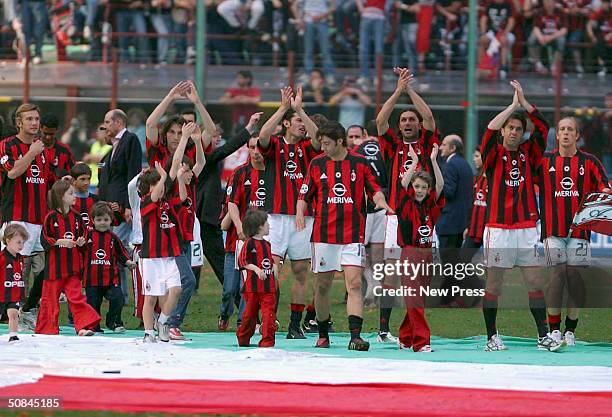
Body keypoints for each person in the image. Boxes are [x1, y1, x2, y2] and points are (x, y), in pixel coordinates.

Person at [480, 80, 563, 352]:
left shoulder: (530, 152)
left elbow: (543, 127)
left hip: (527, 227)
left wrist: (524, 104)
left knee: (535, 281)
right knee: (495, 282)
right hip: (498, 228)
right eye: (511, 128)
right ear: (504, 131)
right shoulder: (493, 154)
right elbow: (489, 130)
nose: (514, 132)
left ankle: (543, 336)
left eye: (518, 128)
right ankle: (492, 336)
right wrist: (512, 107)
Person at [297, 121, 391, 351]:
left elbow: (374, 190)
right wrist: (300, 212)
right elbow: (304, 194)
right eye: (321, 142)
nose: (323, 147)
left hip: (353, 234)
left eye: (327, 143)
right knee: (322, 286)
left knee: (355, 283)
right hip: (323, 234)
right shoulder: (317, 164)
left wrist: (382, 203)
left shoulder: (359, 164)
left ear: (340, 141)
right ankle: (322, 333)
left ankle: (355, 336)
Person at [375, 68, 439, 340]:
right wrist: (397, 91)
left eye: (412, 119)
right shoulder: (392, 145)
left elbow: (429, 117)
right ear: (399, 126)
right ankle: (383, 328)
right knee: (391, 272)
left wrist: (410, 90)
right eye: (404, 120)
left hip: (424, 218)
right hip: (396, 217)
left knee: (421, 278)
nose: (409, 122)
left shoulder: (426, 143)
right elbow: (380, 121)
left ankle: (407, 329)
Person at [539, 117, 609, 346]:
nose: (566, 133)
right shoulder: (544, 161)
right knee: (557, 276)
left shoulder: (589, 162)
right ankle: (554, 329)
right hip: (553, 230)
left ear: (577, 135)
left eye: (570, 129)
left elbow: (604, 189)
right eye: (562, 130)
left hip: (580, 232)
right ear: (557, 135)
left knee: (575, 278)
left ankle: (571, 329)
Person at [258, 86, 321, 339]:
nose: (302, 125)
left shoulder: (309, 147)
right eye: (297, 122)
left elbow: (318, 137)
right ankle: (269, 319)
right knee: (271, 269)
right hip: (276, 218)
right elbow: (262, 134)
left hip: (303, 219)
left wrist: (300, 109)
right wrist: (284, 107)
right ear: (285, 124)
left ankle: (295, 325)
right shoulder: (274, 145)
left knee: (300, 272)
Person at [0, 104, 49, 330]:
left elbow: (46, 184)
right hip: (17, 216)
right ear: (19, 122)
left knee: (46, 268)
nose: (34, 123)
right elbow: (12, 172)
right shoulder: (7, 145)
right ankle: (11, 314)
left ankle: (25, 310)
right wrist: (31, 153)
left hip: (39, 219)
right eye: (29, 119)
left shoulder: (43, 151)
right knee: (12, 267)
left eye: (36, 118)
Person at [35, 179, 101, 336]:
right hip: (53, 269)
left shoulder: (77, 218)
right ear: (60, 196)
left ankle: (83, 327)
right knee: (50, 300)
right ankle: (47, 329)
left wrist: (80, 242)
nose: (74, 196)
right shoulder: (50, 217)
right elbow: (44, 238)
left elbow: (84, 236)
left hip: (72, 268)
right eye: (71, 193)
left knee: (77, 298)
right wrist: (59, 242)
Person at [397, 144, 444, 352]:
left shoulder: (430, 205)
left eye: (424, 188)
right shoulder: (405, 203)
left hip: (427, 254)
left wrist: (433, 161)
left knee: (419, 298)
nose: (420, 191)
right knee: (414, 298)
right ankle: (421, 342)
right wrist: (414, 163)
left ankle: (405, 338)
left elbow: (440, 186)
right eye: (417, 187)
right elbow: (403, 183)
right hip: (409, 253)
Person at [219, 135, 267, 330]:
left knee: (246, 287)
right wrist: (239, 227)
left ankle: (243, 322)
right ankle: (224, 314)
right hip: (235, 242)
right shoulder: (239, 173)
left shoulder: (272, 173)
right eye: (252, 147)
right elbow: (232, 203)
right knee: (229, 289)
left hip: (258, 243)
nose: (257, 151)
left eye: (259, 147)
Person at [164, 122, 206, 340]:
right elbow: (174, 168)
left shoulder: (191, 183)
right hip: (173, 242)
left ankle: (167, 322)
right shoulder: (171, 185)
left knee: (180, 282)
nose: (190, 173)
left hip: (186, 241)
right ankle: (171, 323)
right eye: (186, 170)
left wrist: (197, 141)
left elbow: (201, 162)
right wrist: (183, 139)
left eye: (190, 171)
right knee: (187, 281)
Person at [98, 108, 144, 303]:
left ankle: (124, 294)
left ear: (118, 123)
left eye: (108, 122)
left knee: (116, 247)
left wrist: (128, 206)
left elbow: (133, 173)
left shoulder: (130, 140)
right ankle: (121, 293)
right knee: (116, 248)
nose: (105, 126)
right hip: (112, 207)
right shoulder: (112, 148)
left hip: (122, 208)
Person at [353, 123, 393, 342]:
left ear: (365, 135)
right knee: (378, 252)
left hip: (362, 208)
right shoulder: (387, 150)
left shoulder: (356, 152)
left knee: (358, 251)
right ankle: (376, 286)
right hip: (382, 204)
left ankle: (369, 283)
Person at [138, 162, 186, 343]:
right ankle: (149, 333)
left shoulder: (166, 203)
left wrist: (180, 178)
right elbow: (155, 194)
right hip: (151, 257)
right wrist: (164, 177)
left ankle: (163, 321)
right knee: (150, 297)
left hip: (169, 255)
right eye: (156, 184)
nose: (161, 187)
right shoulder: (145, 202)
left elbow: (182, 198)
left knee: (176, 289)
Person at [83, 202, 137, 333]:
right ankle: (93, 325)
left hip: (111, 279)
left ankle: (113, 322)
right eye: (99, 220)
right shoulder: (87, 236)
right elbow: (79, 253)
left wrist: (128, 262)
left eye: (106, 220)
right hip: (92, 280)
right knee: (93, 304)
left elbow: (121, 253)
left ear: (111, 220)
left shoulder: (113, 238)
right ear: (92, 220)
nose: (102, 223)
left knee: (118, 299)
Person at [436, 134, 473, 307]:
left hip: (449, 221)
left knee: (449, 262)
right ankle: (451, 297)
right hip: (460, 220)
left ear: (453, 148)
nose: (441, 147)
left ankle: (471, 287)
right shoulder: (465, 164)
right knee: (453, 261)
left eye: (444, 144)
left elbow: (448, 192)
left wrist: (434, 192)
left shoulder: (450, 165)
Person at [236, 209, 278, 347]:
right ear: (260, 226)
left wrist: (274, 268)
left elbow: (269, 262)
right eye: (266, 223)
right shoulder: (249, 243)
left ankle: (267, 342)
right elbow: (242, 261)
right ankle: (243, 337)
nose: (268, 226)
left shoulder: (267, 245)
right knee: (249, 315)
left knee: (269, 315)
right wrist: (256, 269)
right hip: (253, 288)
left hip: (268, 288)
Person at [0, 224, 28, 342]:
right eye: (18, 242)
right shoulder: (2, 257)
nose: (21, 246)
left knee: (13, 314)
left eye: (23, 242)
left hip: (14, 294)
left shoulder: (20, 258)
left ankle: (13, 335)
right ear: (8, 240)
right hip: (1, 294)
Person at [40, 113, 75, 180]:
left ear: (57, 130)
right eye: (45, 133)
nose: (48, 137)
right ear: (40, 128)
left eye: (51, 134)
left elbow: (72, 175)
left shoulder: (65, 150)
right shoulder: (32, 148)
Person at [82, 123, 112, 194]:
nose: (98, 133)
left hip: (100, 182)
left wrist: (91, 157)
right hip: (89, 180)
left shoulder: (111, 146)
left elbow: (103, 160)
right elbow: (85, 159)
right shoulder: (94, 145)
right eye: (98, 130)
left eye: (101, 130)